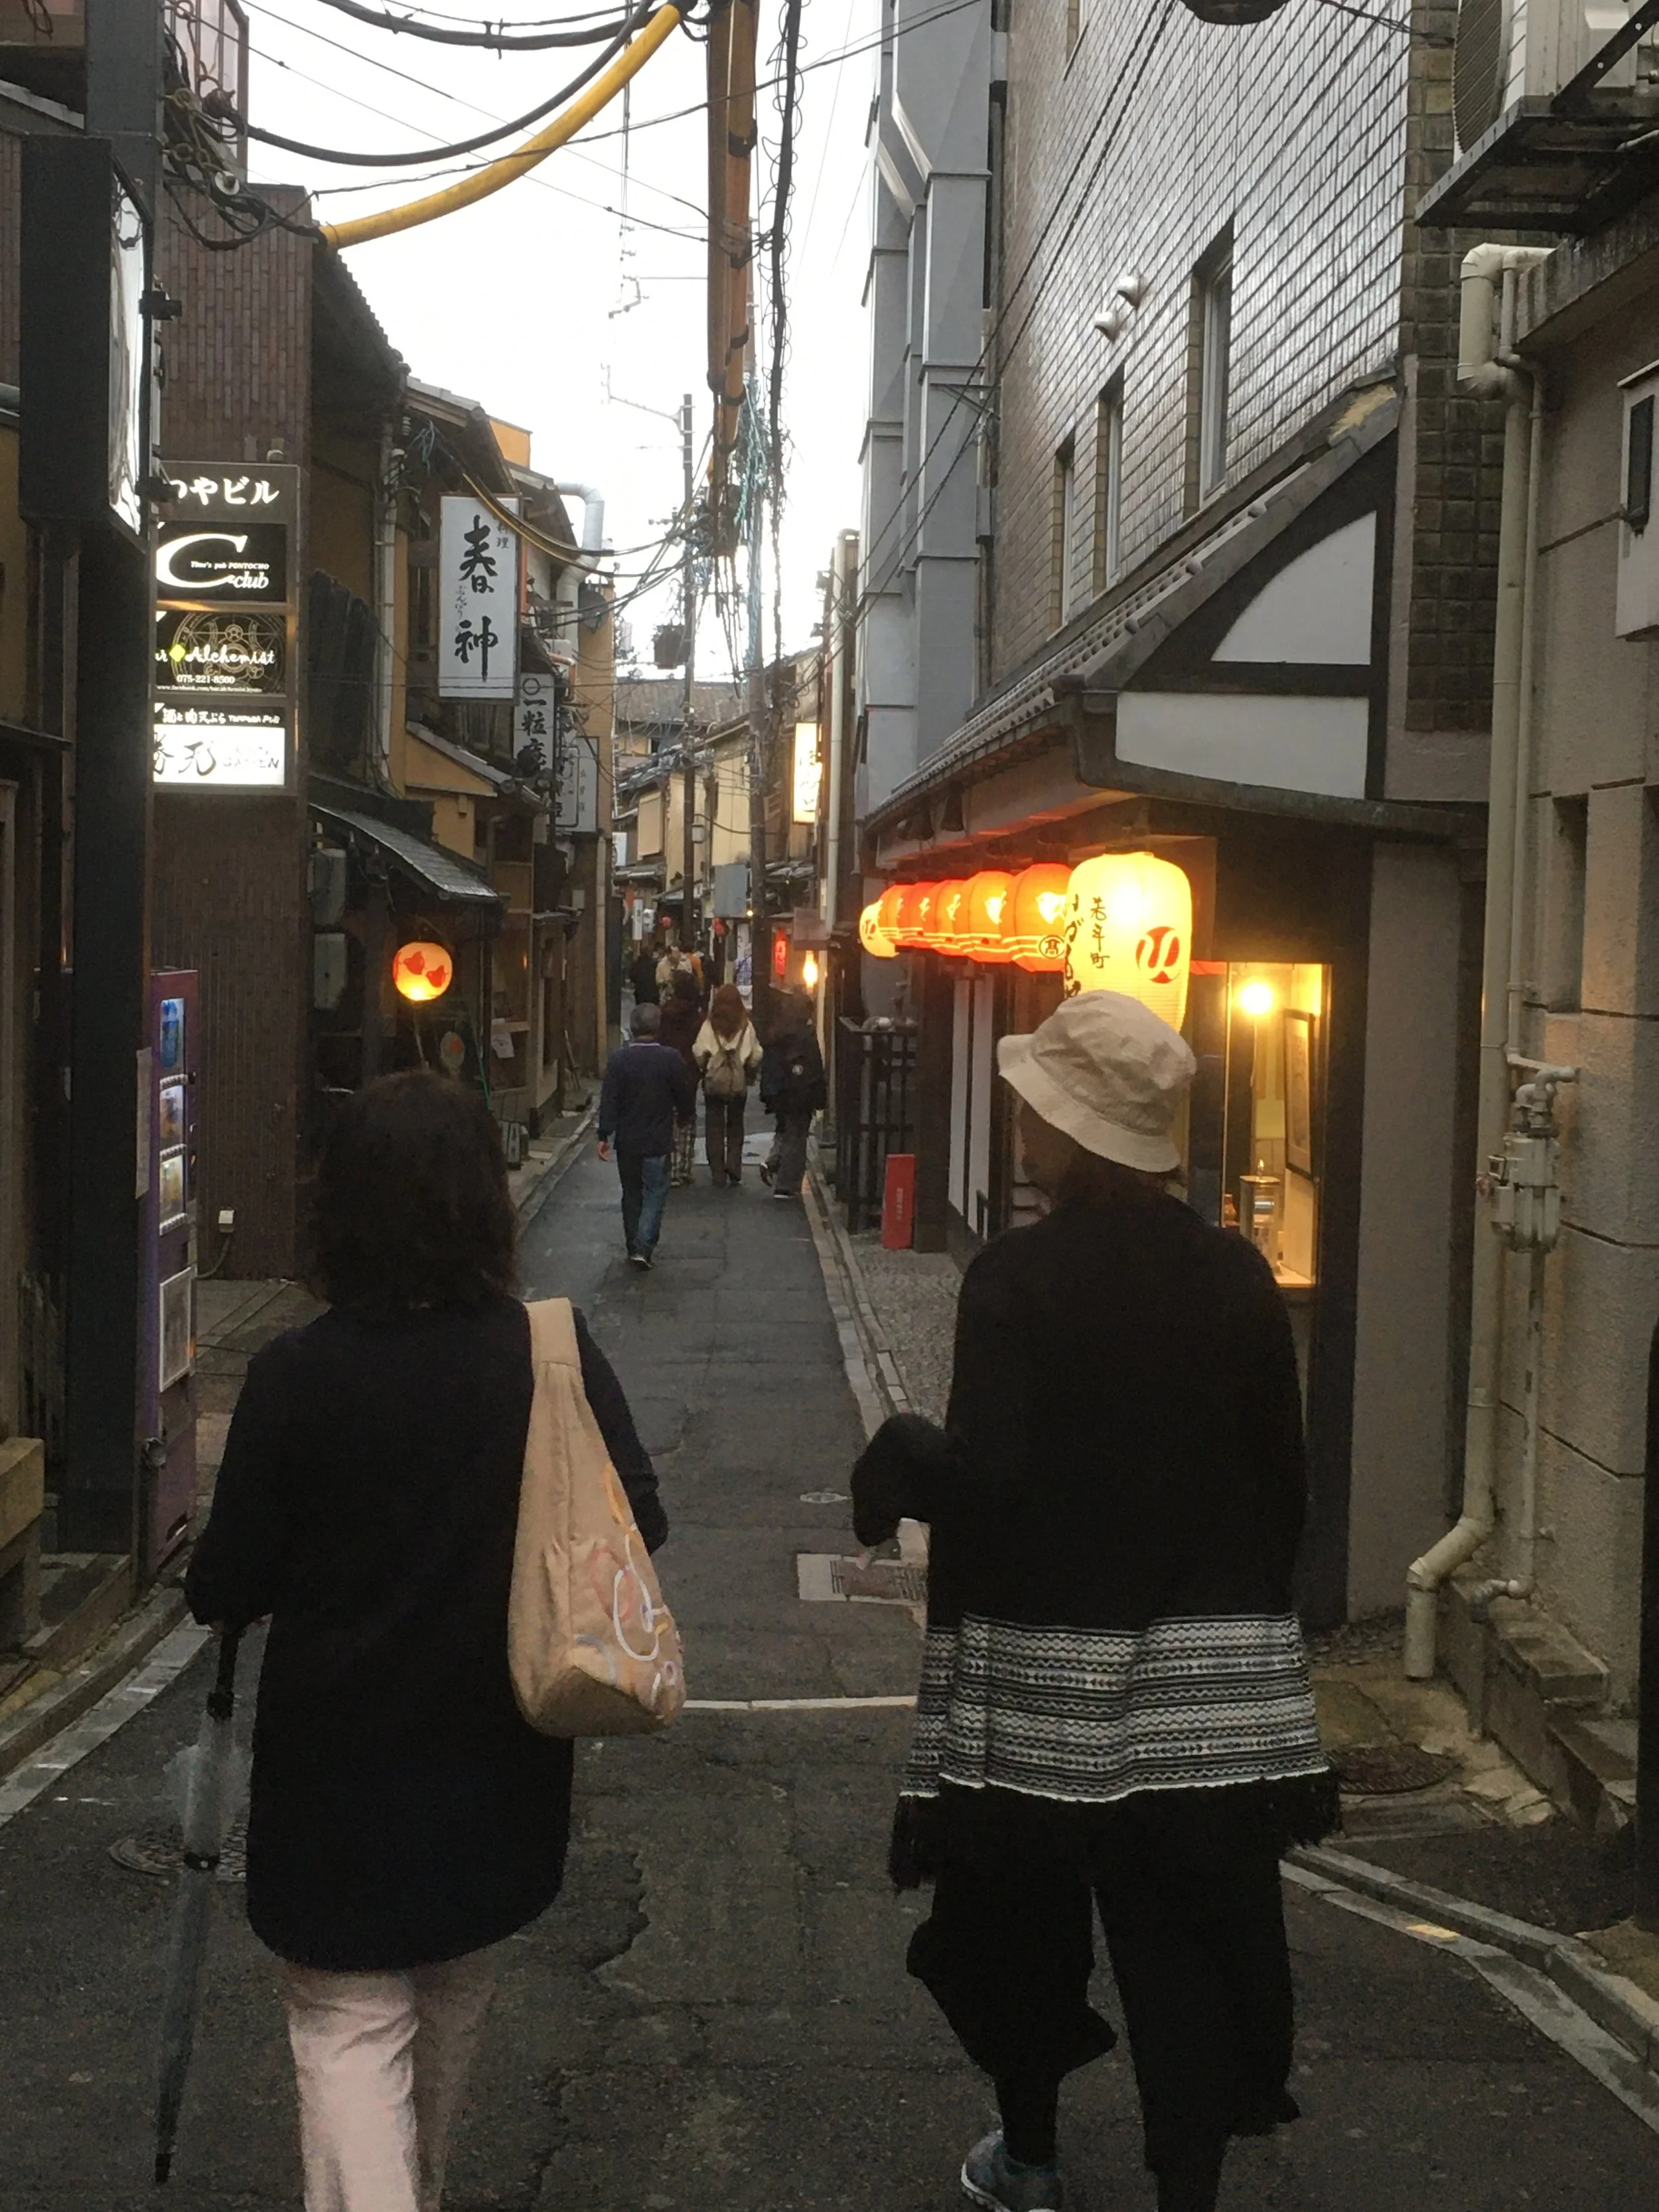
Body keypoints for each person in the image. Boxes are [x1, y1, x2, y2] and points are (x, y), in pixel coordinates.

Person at [850, 992, 1334, 2212]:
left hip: (1040, 1682)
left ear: (1073, 1131)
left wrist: (901, 1457)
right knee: (1188, 1945)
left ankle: (1030, 2159)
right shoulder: (1236, 1278)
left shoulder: (1018, 1278)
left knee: (1019, 1927)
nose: (1018, 1115)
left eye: (1036, 1102)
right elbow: (1285, 1480)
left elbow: (994, 1475)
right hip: (1206, 1689)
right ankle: (1189, 2189)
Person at [184, 1069, 665, 2212]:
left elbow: (224, 1584)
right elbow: (637, 1513)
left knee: (349, 2023)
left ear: (337, 1209)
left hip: (337, 1779)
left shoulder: (297, 1377)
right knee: (452, 1994)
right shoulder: (545, 1350)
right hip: (498, 1755)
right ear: (481, 1205)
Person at [597, 1000, 695, 1268]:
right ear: (657, 1027)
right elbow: (684, 1095)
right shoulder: (671, 1059)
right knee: (655, 1191)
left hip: (627, 1141)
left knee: (631, 1193)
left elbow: (610, 1100)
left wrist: (604, 1134)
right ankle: (643, 1244)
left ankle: (633, 1245)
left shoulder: (619, 1060)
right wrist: (686, 1117)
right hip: (657, 1139)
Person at [692, 982, 763, 1187]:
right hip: (737, 1081)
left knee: (714, 1125)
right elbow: (757, 1053)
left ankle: (717, 1172)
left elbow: (698, 1050)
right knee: (735, 1124)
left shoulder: (710, 1025)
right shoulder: (745, 1025)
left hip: (714, 1081)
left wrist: (706, 1066)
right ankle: (734, 1166)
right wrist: (748, 1068)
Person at [757, 992, 826, 1201]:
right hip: (800, 1094)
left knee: (786, 1131)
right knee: (797, 1137)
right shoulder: (804, 1035)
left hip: (779, 1093)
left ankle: (774, 1162)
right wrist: (819, 1096)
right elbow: (813, 1067)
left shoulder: (778, 1031)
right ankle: (787, 1184)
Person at [656, 968, 703, 1187]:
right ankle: (683, 1167)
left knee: (668, 1115)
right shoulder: (696, 1015)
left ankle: (670, 1165)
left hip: (666, 1067)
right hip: (689, 1069)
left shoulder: (665, 1013)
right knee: (687, 1115)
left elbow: (660, 1039)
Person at [627, 942, 660, 1008]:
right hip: (653, 994)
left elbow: (632, 977)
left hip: (640, 993)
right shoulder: (654, 964)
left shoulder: (636, 964)